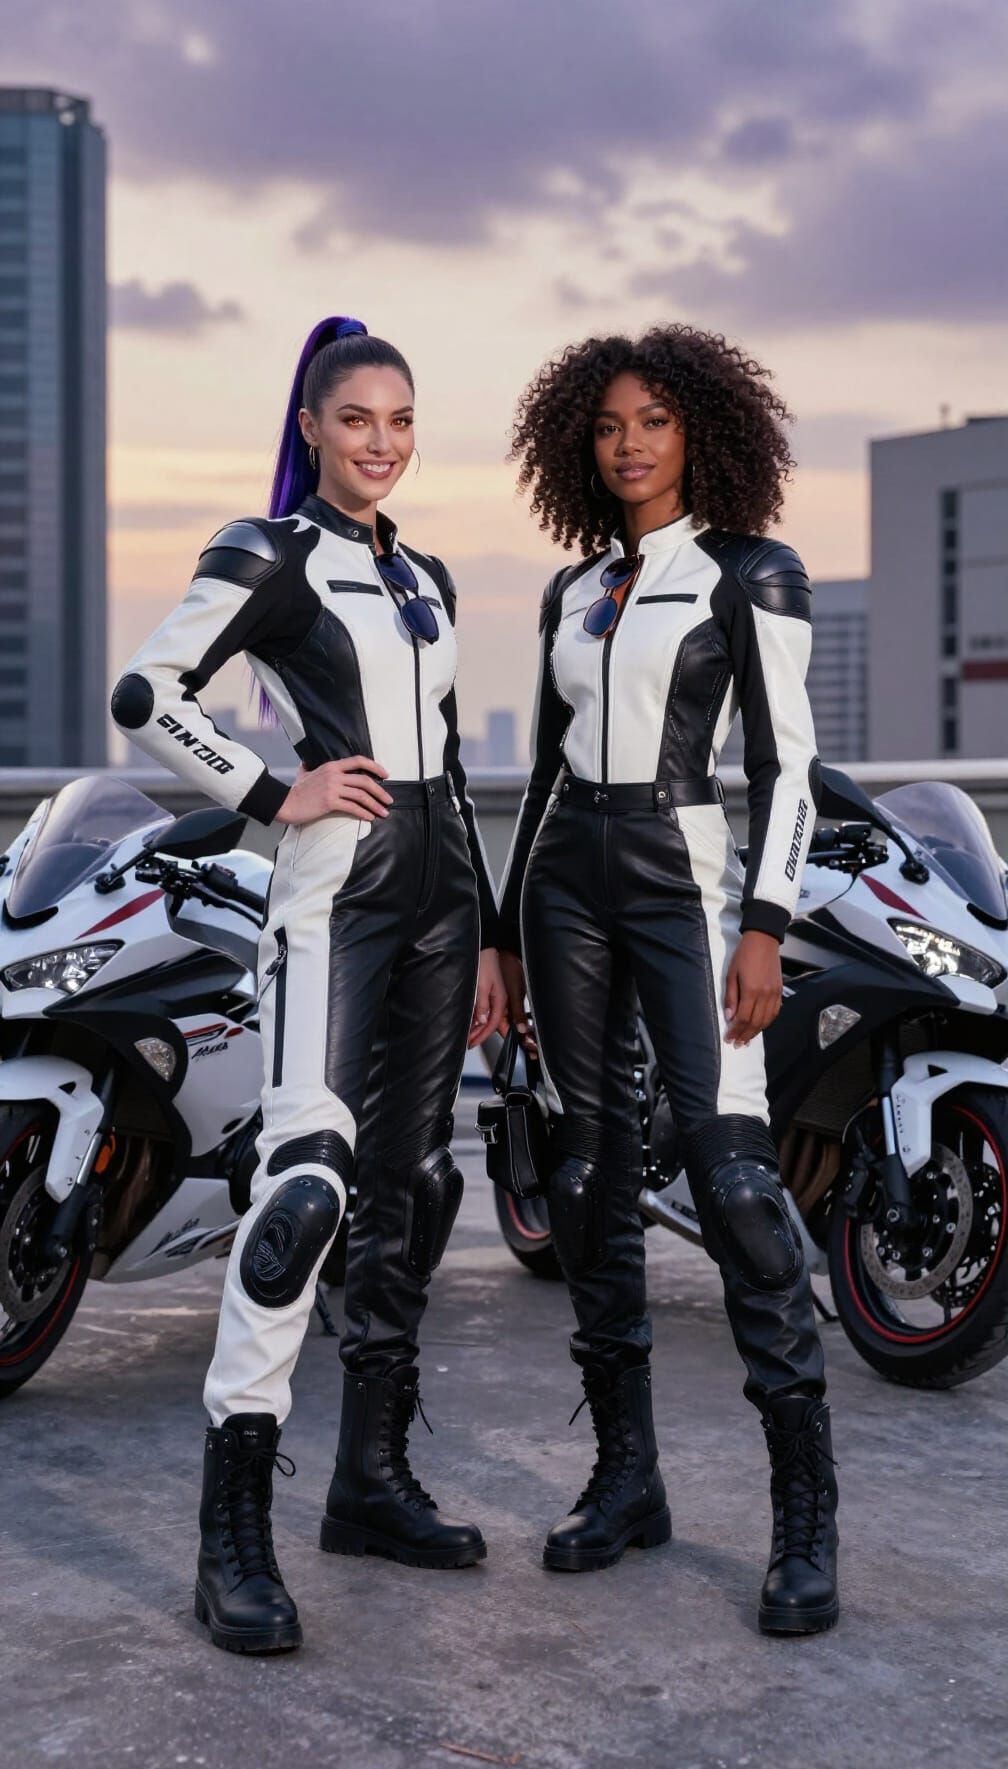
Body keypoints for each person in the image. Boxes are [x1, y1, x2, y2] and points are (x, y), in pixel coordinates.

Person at [111, 315, 506, 1653]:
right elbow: (145, 693)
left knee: (412, 1195)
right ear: (310, 428)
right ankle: (235, 1539)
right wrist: (275, 790)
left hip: (443, 899)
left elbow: (445, 763)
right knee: (305, 1199)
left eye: (401, 421)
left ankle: (370, 1486)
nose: (381, 443)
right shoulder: (265, 554)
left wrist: (489, 932)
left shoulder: (427, 574)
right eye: (357, 420)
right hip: (334, 900)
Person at [498, 326, 838, 1635]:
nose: (630, 443)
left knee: (733, 1174)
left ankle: (805, 1519)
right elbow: (534, 776)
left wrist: (764, 924)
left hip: (687, 874)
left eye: (654, 421)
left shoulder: (755, 572)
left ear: (701, 430)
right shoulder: (570, 595)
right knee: (586, 1174)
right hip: (564, 882)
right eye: (608, 426)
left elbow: (789, 768)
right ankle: (627, 1479)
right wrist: (501, 936)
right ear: (580, 443)